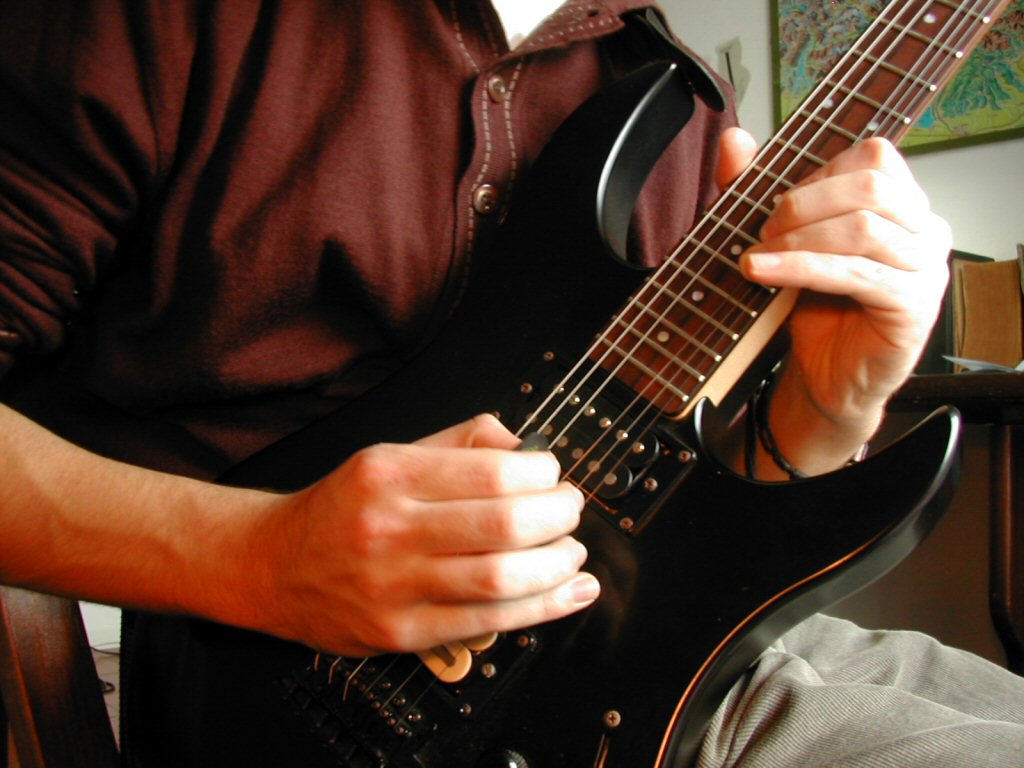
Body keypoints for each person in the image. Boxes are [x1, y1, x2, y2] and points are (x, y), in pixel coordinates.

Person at [0, 1, 1021, 766]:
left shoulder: (686, 96)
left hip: (666, 673)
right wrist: (259, 560)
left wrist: (828, 403)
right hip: (280, 707)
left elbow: (697, 500)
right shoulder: (161, 22)